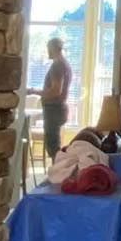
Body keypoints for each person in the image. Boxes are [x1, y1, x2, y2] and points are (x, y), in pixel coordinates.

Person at [40, 35, 73, 164]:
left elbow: (56, 90)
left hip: (53, 109)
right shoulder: (65, 64)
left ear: (54, 48)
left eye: (49, 48)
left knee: (53, 147)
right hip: (59, 109)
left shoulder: (57, 65)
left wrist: (33, 91)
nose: (47, 51)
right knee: (55, 144)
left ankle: (58, 173)